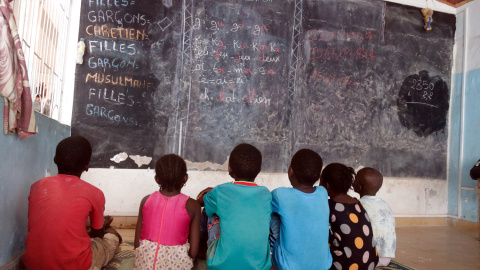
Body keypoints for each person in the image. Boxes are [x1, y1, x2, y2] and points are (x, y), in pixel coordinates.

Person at [23, 136, 121, 270]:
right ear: (87, 166)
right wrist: (100, 227)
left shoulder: (37, 186)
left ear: (55, 159)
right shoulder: (94, 193)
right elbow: (98, 236)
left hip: (32, 263)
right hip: (75, 265)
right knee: (112, 237)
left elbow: (39, 223)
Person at [197, 143, 272, 270]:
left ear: (229, 168)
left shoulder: (221, 191)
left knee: (209, 212)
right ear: (259, 170)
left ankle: (201, 249)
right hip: (259, 266)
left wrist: (208, 195)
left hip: (222, 264)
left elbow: (203, 204)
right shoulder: (266, 193)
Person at [134, 154, 201, 269]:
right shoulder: (193, 205)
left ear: (157, 179)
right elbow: (193, 252)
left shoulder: (146, 200)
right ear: (185, 178)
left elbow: (136, 245)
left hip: (145, 264)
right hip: (177, 264)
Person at [269, 149, 332, 270]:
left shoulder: (280, 195)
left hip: (288, 266)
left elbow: (264, 206)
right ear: (318, 176)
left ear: (291, 171)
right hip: (323, 265)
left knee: (272, 216)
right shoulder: (323, 193)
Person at [320, 163, 379, 270]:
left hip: (346, 266)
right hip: (370, 262)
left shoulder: (329, 206)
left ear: (326, 186)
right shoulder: (357, 203)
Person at [353, 167, 396, 267]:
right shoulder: (385, 204)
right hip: (385, 258)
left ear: (359, 187)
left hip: (367, 258)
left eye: (355, 179)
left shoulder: (358, 205)